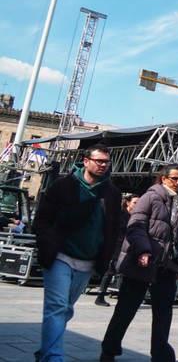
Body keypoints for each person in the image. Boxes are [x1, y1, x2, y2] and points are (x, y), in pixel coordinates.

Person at [33, 143, 123, 362]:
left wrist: (109, 254)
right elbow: (42, 219)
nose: (103, 165)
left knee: (66, 310)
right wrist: (47, 242)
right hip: (60, 256)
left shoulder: (111, 193)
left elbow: (113, 227)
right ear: (85, 161)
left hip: (88, 261)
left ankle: (45, 351)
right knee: (56, 308)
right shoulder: (63, 186)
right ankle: (53, 357)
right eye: (99, 160)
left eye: (106, 162)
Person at [100, 165, 178, 362]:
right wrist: (143, 250)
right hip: (142, 262)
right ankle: (109, 350)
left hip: (167, 265)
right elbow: (136, 226)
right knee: (126, 309)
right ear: (163, 179)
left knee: (163, 313)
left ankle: (161, 354)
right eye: (174, 178)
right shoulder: (150, 197)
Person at [95, 194, 140, 307]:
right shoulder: (121, 213)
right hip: (116, 244)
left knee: (113, 270)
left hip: (126, 246)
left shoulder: (135, 216)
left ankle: (102, 296)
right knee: (118, 268)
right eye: (135, 202)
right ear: (128, 203)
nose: (137, 205)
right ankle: (118, 297)